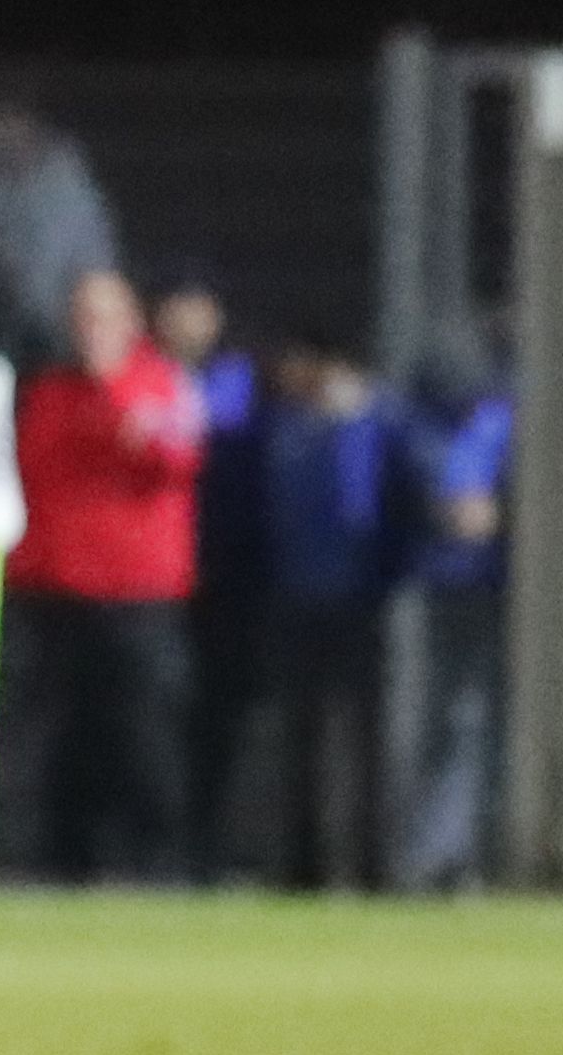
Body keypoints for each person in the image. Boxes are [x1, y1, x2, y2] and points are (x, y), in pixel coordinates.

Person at [0, 269, 204, 880]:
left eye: (104, 317)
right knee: (63, 736)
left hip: (139, 594)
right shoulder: (49, 394)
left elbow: (179, 455)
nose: (92, 332)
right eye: (83, 318)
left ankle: (157, 863)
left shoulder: (160, 385)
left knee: (146, 732)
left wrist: (123, 420)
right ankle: (65, 863)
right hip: (58, 592)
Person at [260, 332, 417, 892]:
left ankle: (375, 864)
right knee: (301, 736)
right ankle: (302, 867)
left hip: (361, 600)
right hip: (299, 599)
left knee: (367, 739)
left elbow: (396, 499)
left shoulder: (377, 425)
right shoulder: (288, 428)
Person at [158, 274, 270, 879]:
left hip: (228, 575)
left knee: (219, 720)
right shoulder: (143, 378)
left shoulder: (236, 383)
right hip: (164, 580)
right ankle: (167, 843)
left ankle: (206, 842)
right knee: (165, 715)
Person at [402, 338, 514, 889]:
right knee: (461, 724)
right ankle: (442, 854)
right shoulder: (449, 427)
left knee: (465, 725)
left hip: (495, 591)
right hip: (458, 590)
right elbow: (466, 512)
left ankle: (453, 851)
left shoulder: (488, 420)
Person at [0, 95, 121, 361]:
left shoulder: (64, 182)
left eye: (9, 128)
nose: (1, 143)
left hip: (65, 321)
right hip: (22, 321)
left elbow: (50, 273)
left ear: (29, 127)